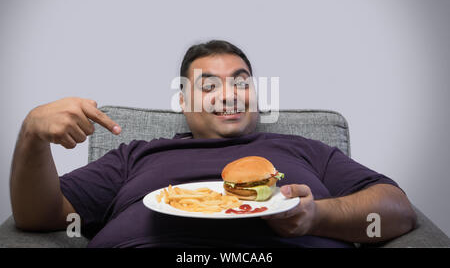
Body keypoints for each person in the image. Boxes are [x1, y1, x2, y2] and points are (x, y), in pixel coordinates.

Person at [10, 40, 417, 247]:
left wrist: (317, 217)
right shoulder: (137, 155)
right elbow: (39, 217)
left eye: (240, 82)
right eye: (208, 86)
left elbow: (397, 210)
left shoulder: (304, 149)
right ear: (183, 101)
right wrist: (32, 136)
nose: (228, 95)